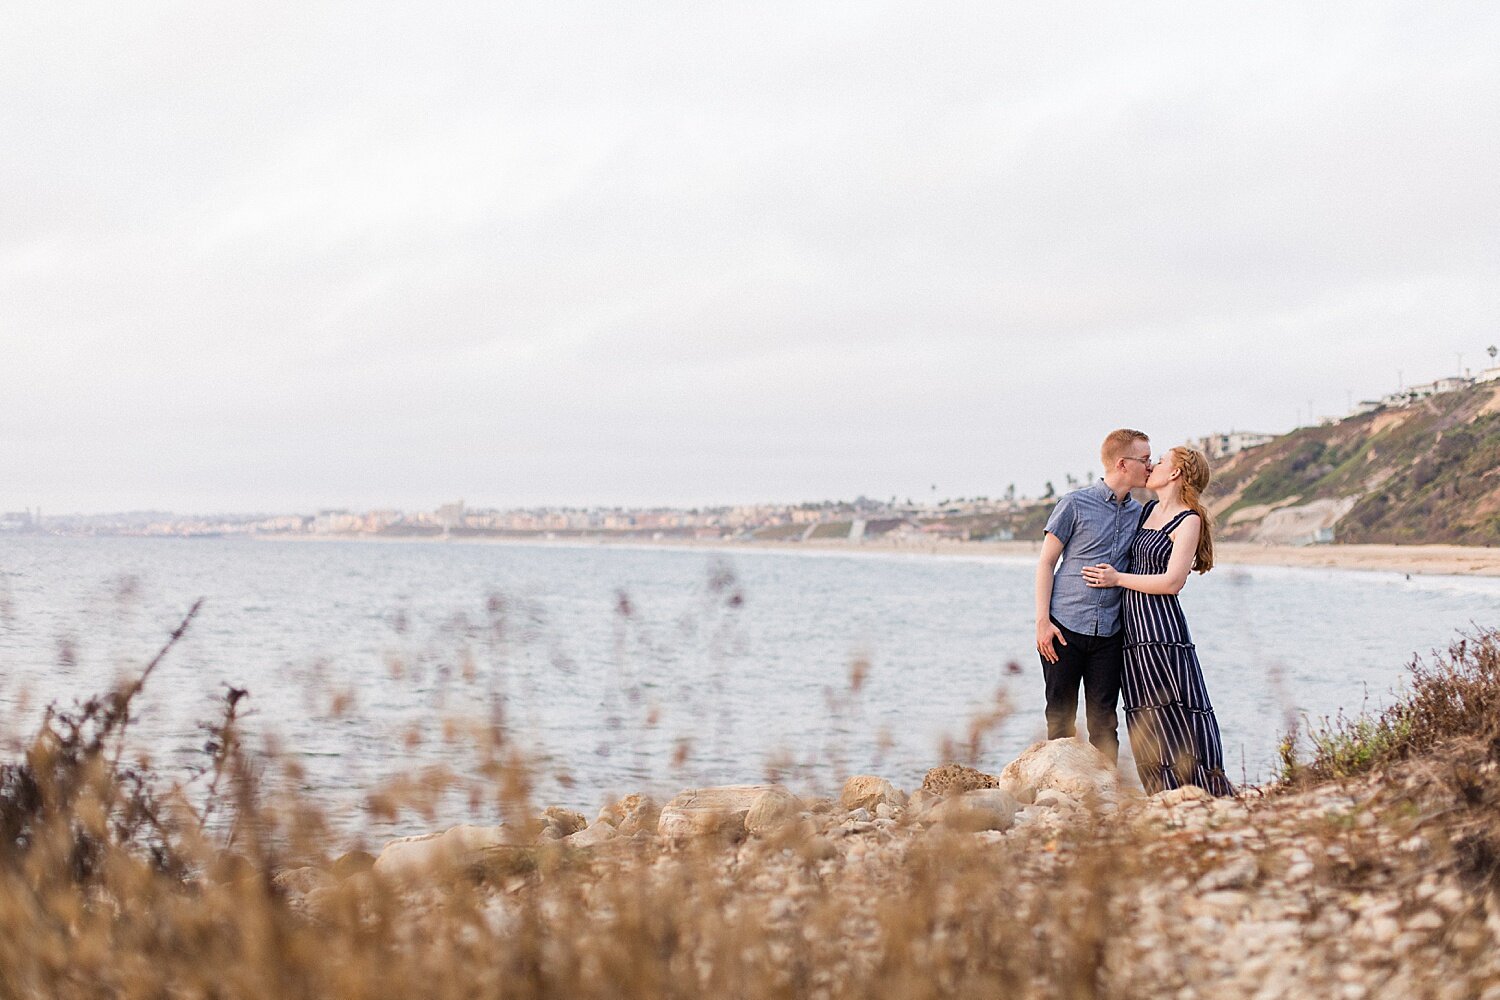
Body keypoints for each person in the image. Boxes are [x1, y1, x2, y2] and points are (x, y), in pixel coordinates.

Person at [1082, 446, 1234, 796]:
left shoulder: (1188, 520)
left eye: (1161, 461)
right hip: (1131, 627)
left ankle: (1198, 789)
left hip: (1159, 627)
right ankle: (1161, 792)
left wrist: (1117, 579)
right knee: (1143, 710)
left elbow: (1171, 582)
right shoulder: (1148, 509)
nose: (1153, 466)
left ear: (1177, 473)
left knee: (1174, 705)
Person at [1033, 428, 1153, 763]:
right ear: (1122, 463)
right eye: (1144, 459)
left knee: (1104, 721)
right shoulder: (1074, 504)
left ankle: (1105, 797)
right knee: (1060, 716)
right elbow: (1045, 562)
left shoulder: (1139, 513)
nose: (1150, 465)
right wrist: (1042, 622)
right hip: (1063, 627)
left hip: (1110, 633)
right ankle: (1057, 791)